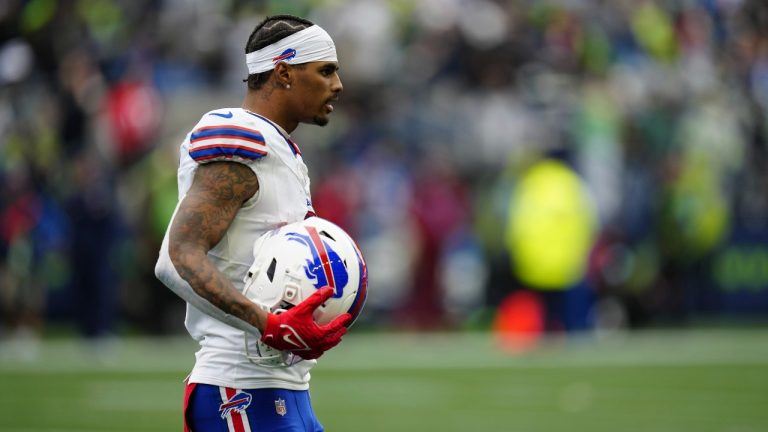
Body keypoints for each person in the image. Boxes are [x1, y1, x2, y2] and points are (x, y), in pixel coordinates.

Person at [154, 14, 349, 432]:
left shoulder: (280, 148)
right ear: (283, 72)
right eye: (326, 70)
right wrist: (268, 323)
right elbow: (177, 258)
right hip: (240, 388)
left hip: (286, 387)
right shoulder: (243, 138)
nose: (338, 84)